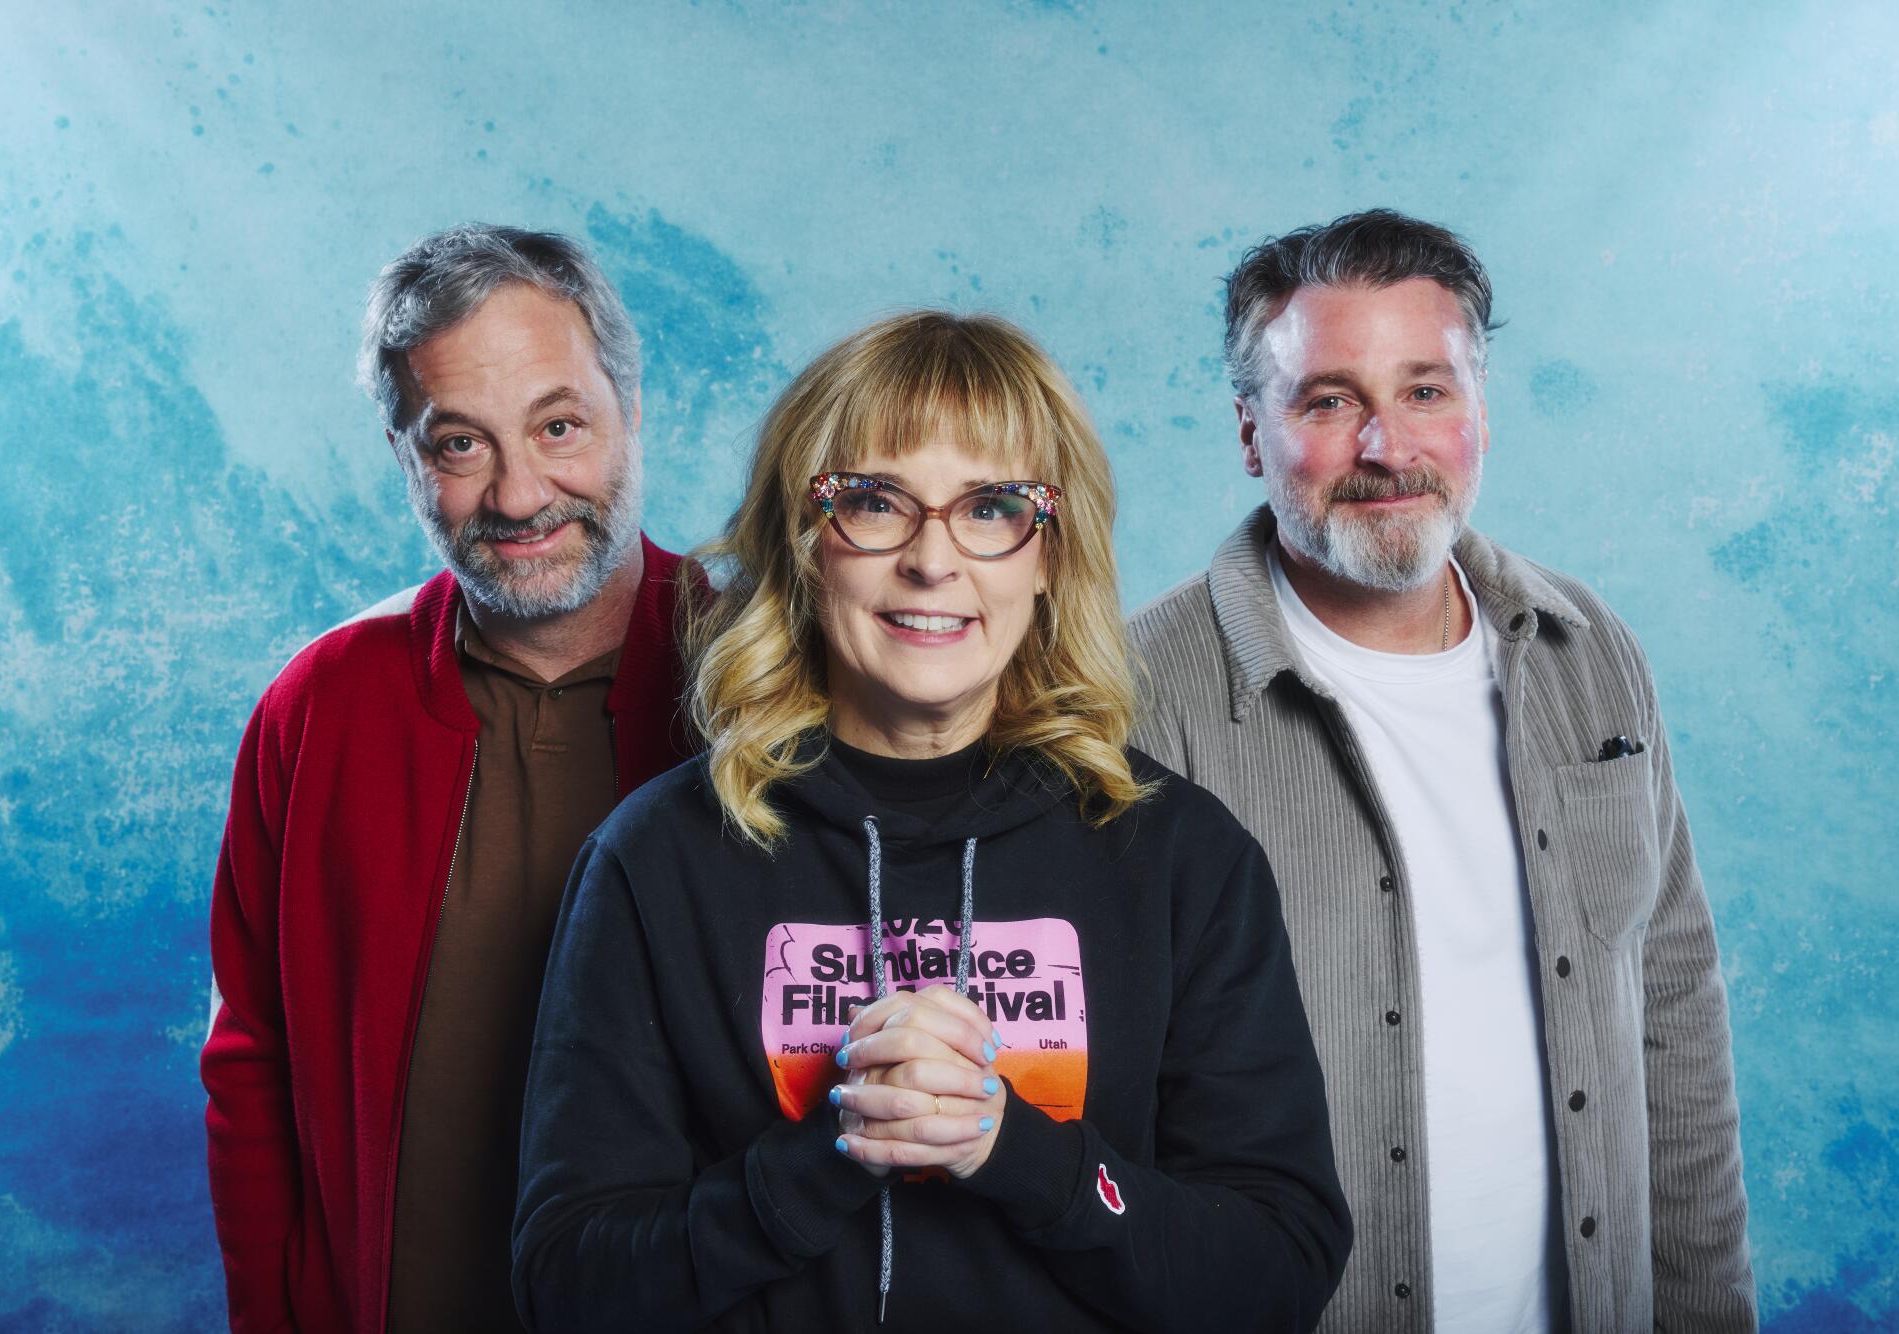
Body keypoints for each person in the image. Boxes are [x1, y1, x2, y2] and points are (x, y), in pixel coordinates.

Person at [512, 311, 1352, 1332]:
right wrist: (833, 1144)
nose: (931, 560)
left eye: (992, 508)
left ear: (1048, 554)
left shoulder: (1182, 856)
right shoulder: (656, 860)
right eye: (871, 502)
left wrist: (1012, 1147)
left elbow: (1275, 1273)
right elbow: (568, 1287)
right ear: (803, 541)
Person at [1128, 209, 1754, 1332]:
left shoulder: (1588, 646)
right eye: (1328, 400)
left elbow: (1671, 1007)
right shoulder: (1130, 701)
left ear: (1478, 408)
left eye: (1425, 390)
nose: (1385, 446)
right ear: (1246, 431)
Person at [201, 224, 693, 1333]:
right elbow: (252, 1060)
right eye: (460, 444)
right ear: (403, 455)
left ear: (632, 410)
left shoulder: (774, 684)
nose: (520, 495)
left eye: (558, 426)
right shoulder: (320, 706)